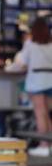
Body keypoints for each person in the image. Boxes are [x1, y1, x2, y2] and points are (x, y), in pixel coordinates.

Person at [18, 17, 52, 157]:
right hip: (50, 80)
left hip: (36, 81)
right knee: (47, 114)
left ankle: (44, 145)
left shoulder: (30, 44)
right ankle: (50, 144)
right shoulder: (51, 44)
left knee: (40, 114)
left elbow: (22, 62)